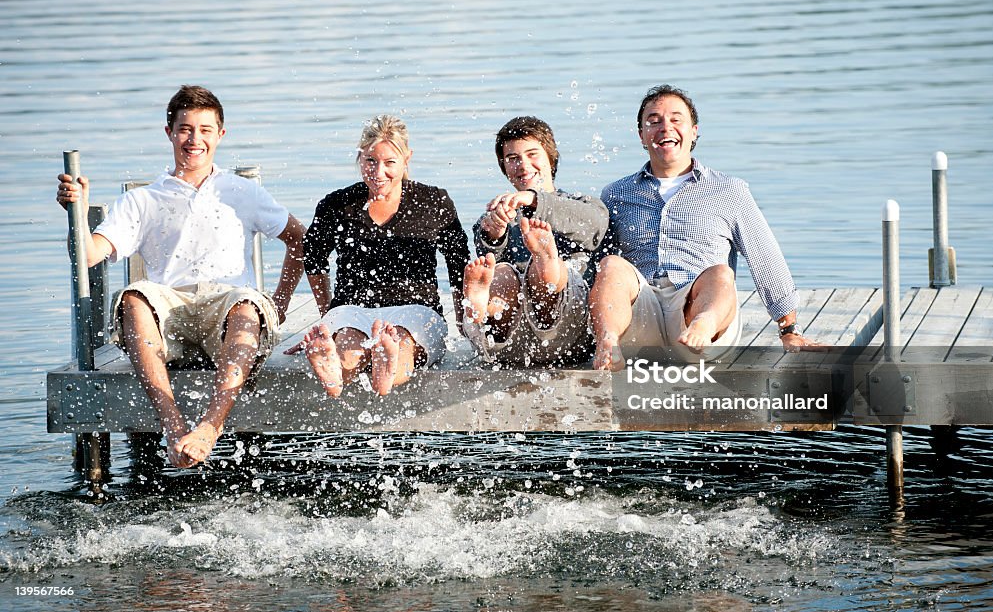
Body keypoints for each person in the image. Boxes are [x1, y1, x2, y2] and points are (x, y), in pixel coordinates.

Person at [56, 85, 306, 467]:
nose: (195, 139)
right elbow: (90, 255)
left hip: (225, 306)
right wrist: (78, 210)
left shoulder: (242, 191)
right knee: (134, 295)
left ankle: (209, 426)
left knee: (246, 304)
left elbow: (300, 240)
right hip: (168, 307)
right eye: (186, 129)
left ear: (220, 135)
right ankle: (173, 427)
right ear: (170, 132)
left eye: (205, 130)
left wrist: (281, 303)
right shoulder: (141, 200)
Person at [590, 84, 822, 370]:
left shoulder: (729, 191)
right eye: (654, 121)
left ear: (694, 131)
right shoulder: (616, 194)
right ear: (641, 136)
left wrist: (789, 331)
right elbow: (599, 272)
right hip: (642, 321)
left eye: (676, 119)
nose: (665, 127)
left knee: (721, 274)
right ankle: (609, 346)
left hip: (702, 319)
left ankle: (701, 328)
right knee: (611, 265)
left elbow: (765, 258)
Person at [288, 115, 470, 396]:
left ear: (407, 158)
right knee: (348, 349)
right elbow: (313, 257)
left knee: (404, 345)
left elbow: (458, 262)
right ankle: (333, 369)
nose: (378, 172)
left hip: (416, 309)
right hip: (353, 310)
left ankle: (386, 365)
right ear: (360, 158)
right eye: (370, 161)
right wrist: (329, 317)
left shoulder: (433, 201)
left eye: (389, 163)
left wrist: (462, 321)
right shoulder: (337, 204)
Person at [462, 116, 608, 366]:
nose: (523, 165)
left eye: (532, 154)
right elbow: (488, 261)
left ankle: (547, 263)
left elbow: (595, 227)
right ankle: (484, 308)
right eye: (513, 159)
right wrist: (494, 234)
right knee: (503, 273)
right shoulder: (495, 215)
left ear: (550, 158)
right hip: (510, 337)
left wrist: (533, 200)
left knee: (544, 271)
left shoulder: (583, 205)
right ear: (504, 167)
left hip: (569, 331)